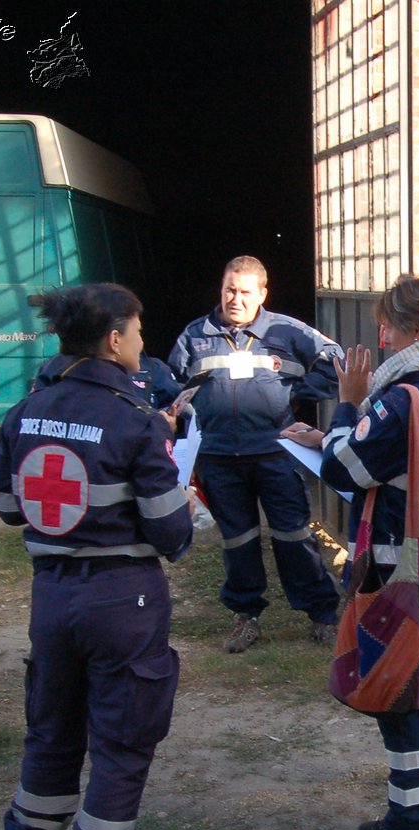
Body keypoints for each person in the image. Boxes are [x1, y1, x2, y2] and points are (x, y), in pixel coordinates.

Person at [0, 284, 195, 830]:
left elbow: (4, 507)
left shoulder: (25, 411)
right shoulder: (134, 420)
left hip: (50, 593)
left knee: (52, 716)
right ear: (114, 339)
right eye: (136, 332)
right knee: (124, 725)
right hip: (122, 598)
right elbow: (171, 533)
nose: (140, 343)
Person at [283, 275, 419, 830]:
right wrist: (335, 434)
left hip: (400, 562)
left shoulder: (400, 398)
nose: (381, 335)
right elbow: (392, 458)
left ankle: (413, 818)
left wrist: (348, 400)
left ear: (416, 331)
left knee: (396, 690)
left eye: (387, 325)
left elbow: (345, 471)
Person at [166, 256, 343, 653]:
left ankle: (322, 615)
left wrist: (297, 394)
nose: (235, 298)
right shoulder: (196, 335)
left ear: (263, 293)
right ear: (221, 288)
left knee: (294, 535)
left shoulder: (287, 331)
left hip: (274, 454)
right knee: (237, 540)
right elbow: (171, 385)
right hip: (219, 458)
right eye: (230, 289)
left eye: (246, 291)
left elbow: (337, 360)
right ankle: (245, 617)